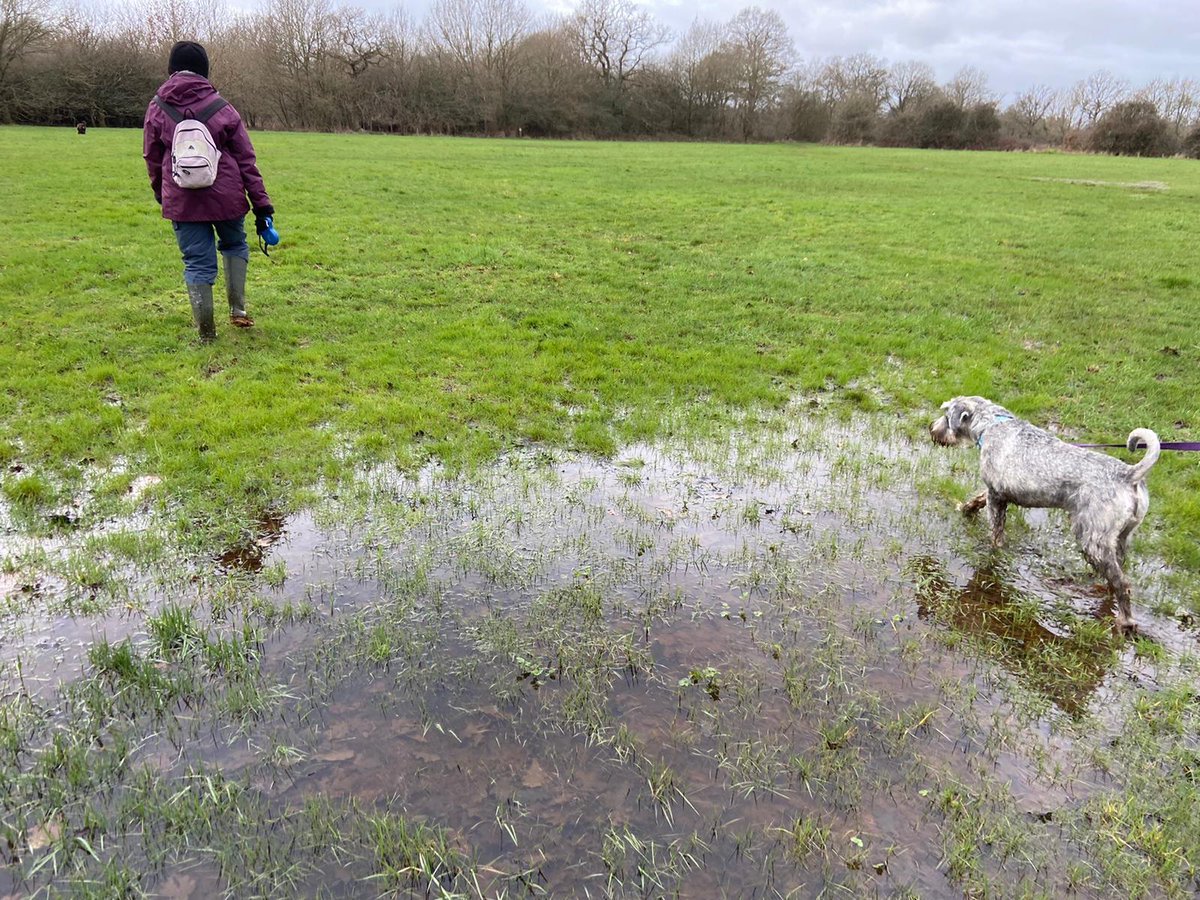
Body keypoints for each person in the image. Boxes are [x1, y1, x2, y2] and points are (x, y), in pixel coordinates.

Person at [143, 41, 274, 341]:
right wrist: (262, 205)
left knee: (196, 262)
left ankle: (206, 333)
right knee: (234, 244)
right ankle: (238, 309)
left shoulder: (156, 108)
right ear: (205, 71)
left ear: (171, 70)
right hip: (227, 197)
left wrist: (162, 195)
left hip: (182, 199)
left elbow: (152, 159)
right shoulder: (223, 107)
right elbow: (246, 161)